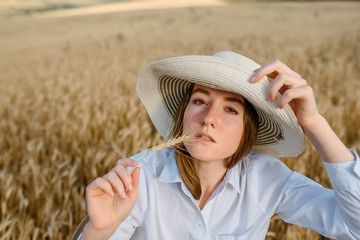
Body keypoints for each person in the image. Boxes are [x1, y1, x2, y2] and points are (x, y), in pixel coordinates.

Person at [78, 51, 360, 240]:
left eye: (231, 110)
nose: (208, 119)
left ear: (248, 130)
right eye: (200, 101)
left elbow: (354, 226)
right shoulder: (139, 179)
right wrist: (98, 230)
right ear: (183, 113)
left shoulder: (267, 178)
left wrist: (313, 123)